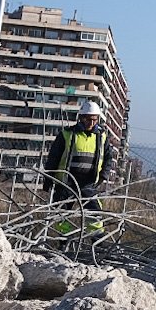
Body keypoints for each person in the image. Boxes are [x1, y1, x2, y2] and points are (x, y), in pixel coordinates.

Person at [43, 99, 108, 234]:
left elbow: (108, 158)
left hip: (88, 184)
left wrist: (104, 175)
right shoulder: (67, 134)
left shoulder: (102, 137)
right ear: (81, 118)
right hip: (67, 183)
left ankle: (97, 244)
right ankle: (63, 242)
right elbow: (53, 158)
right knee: (61, 214)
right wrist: (48, 179)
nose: (91, 123)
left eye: (95, 120)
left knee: (94, 214)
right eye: (89, 119)